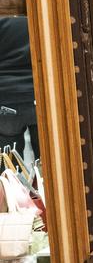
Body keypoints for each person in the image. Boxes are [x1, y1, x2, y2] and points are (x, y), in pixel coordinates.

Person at [0, 17, 39, 161]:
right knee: (48, 161)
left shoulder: (2, 26)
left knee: (8, 164)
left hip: (5, 101)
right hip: (36, 97)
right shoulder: (39, 25)